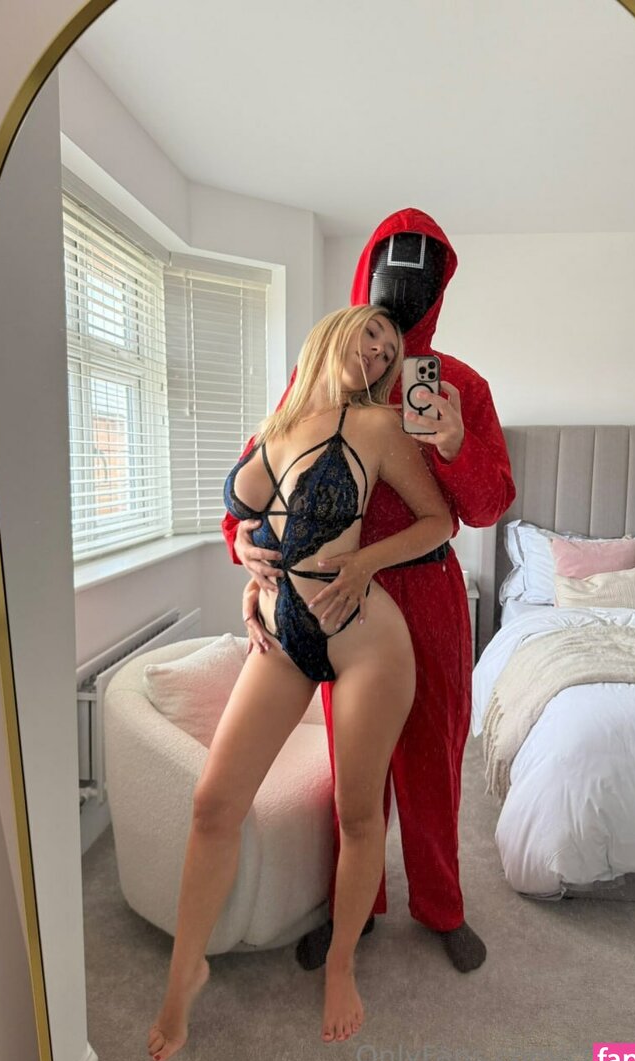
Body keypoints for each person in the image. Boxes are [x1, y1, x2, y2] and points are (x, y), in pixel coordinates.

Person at [147, 304, 453, 1061]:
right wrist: (247, 571)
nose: (378, 352)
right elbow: (253, 524)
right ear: (332, 334)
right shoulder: (276, 426)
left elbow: (438, 521)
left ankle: (342, 965)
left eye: (389, 349)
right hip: (283, 634)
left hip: (365, 639)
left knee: (358, 815)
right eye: (370, 334)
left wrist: (365, 562)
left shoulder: (379, 427)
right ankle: (187, 971)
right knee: (214, 804)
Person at [224, 209, 515, 975]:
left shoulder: (460, 386)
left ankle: (443, 905)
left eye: (424, 271)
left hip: (428, 591)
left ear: (440, 288)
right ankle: (355, 907)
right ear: (368, 274)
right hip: (335, 602)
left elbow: (487, 508)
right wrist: (241, 545)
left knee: (432, 758)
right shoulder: (317, 381)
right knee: (352, 762)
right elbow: (257, 483)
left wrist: (454, 444)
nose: (405, 288)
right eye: (394, 264)